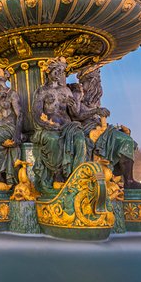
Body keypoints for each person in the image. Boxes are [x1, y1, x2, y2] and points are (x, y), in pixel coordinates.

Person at [31, 57, 100, 191]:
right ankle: (58, 174)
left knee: (81, 140)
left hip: (68, 126)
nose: (59, 74)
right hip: (49, 127)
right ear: (48, 72)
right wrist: (46, 124)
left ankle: (77, 176)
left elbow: (75, 114)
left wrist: (74, 107)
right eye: (56, 71)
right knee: (53, 139)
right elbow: (36, 113)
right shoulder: (41, 91)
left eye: (61, 71)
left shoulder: (66, 91)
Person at [77, 69, 141, 189]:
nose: (96, 84)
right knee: (124, 140)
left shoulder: (94, 96)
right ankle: (128, 181)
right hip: (84, 127)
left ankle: (128, 180)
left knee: (127, 140)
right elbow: (77, 114)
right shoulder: (77, 93)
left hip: (98, 125)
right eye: (92, 79)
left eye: (97, 80)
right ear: (84, 81)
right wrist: (96, 111)